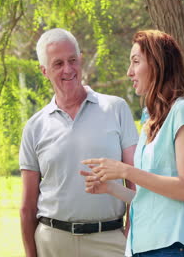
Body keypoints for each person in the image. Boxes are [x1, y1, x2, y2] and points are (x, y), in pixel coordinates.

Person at [81, 30, 184, 257]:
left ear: (158, 64)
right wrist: (110, 188)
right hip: (141, 247)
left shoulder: (183, 112)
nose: (129, 72)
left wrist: (125, 170)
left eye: (136, 62)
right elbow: (151, 198)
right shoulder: (149, 120)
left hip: (172, 247)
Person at [19, 28, 139, 257]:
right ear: (44, 71)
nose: (68, 69)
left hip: (109, 240)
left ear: (81, 59)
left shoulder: (116, 109)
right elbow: (27, 206)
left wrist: (129, 237)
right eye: (58, 64)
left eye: (73, 60)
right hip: (51, 241)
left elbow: (134, 182)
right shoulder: (34, 127)